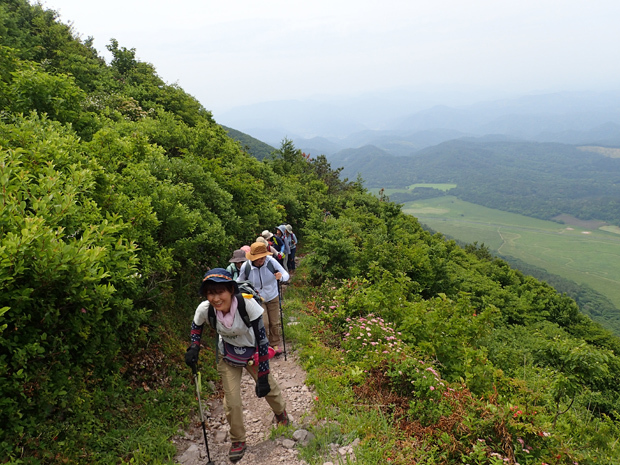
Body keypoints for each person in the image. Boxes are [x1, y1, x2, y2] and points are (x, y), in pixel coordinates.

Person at [185, 268, 289, 462]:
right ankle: (238, 440)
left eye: (219, 292)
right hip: (228, 354)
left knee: (269, 388)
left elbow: (262, 339)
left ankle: (281, 414)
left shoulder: (247, 304)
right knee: (232, 400)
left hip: (253, 350)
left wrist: (263, 374)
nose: (215, 298)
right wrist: (194, 347)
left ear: (231, 290)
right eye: (210, 293)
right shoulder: (205, 309)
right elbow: (196, 327)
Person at [237, 242, 289, 355]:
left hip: (273, 295)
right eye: (259, 258)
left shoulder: (271, 261)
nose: (262, 260)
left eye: (263, 257)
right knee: (264, 323)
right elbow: (239, 282)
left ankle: (275, 343)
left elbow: (286, 274)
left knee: (274, 322)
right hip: (257, 299)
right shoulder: (246, 267)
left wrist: (281, 277)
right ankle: (264, 345)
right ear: (253, 258)